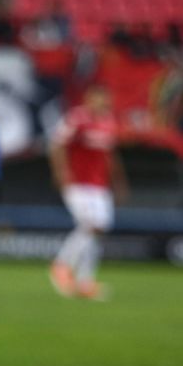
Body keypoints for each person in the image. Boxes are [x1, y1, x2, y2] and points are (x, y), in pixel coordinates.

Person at [48, 84, 127, 300]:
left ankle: (85, 281)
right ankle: (62, 265)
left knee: (98, 231)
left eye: (104, 98)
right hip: (77, 183)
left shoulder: (109, 122)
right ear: (88, 98)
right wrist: (61, 173)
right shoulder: (77, 118)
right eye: (97, 98)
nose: (101, 102)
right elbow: (56, 144)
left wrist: (118, 182)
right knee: (91, 225)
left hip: (99, 186)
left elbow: (110, 155)